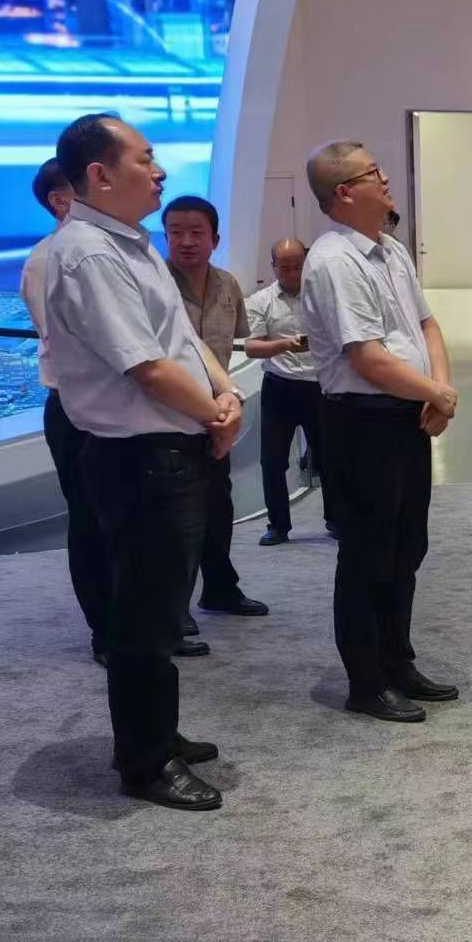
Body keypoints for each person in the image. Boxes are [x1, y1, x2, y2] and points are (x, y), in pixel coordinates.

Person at [43, 113, 239, 811]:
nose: (159, 172)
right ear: (99, 175)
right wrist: (214, 413)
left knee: (161, 608)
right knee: (143, 617)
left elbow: (181, 338)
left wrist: (225, 393)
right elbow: (147, 367)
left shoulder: (130, 243)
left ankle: (158, 731)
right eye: (144, 159)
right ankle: (144, 761)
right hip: (138, 457)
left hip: (171, 446)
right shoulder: (89, 255)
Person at [299, 140, 460, 723]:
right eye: (374, 173)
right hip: (362, 423)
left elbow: (427, 325)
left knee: (405, 547)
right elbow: (366, 358)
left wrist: (438, 390)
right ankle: (366, 682)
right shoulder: (334, 261)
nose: (386, 178)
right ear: (345, 192)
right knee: (368, 553)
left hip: (405, 416)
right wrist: (434, 394)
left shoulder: (390, 251)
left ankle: (397, 661)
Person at [163, 195, 269, 637]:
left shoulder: (227, 285)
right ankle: (173, 607)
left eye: (196, 233)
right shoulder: (155, 286)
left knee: (217, 507)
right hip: (170, 416)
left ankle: (220, 588)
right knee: (174, 519)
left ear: (215, 239)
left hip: (220, 417)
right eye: (175, 233)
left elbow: (236, 344)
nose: (186, 241)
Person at [19, 158, 108, 664]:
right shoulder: (46, 261)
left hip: (122, 406)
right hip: (77, 407)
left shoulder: (113, 248)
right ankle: (106, 631)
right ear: (60, 200)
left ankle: (148, 623)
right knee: (92, 522)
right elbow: (70, 344)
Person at [245, 237, 338, 544]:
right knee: (272, 460)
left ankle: (337, 519)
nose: (292, 273)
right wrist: (284, 345)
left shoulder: (323, 297)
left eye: (298, 266)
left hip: (319, 386)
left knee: (330, 458)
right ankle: (278, 525)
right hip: (279, 387)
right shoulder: (260, 300)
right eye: (285, 267)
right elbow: (252, 347)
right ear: (273, 267)